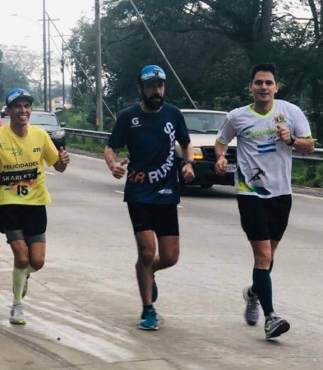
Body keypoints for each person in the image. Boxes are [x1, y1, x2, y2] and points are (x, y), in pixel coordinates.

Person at [214, 63, 315, 340]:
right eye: (258, 83)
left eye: (268, 83)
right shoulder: (237, 117)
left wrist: (291, 139)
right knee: (263, 256)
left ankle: (253, 292)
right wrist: (221, 157)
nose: (263, 87)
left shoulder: (290, 112)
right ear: (250, 87)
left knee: (269, 257)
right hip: (250, 192)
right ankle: (271, 318)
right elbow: (221, 141)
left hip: (281, 193)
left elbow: (310, 145)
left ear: (276, 87)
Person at [104, 65, 195, 331]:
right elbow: (111, 147)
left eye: (160, 85)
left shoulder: (173, 114)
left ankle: (149, 271)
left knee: (170, 257)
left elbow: (186, 142)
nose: (157, 90)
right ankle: (148, 309)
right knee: (147, 251)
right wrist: (113, 165)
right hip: (139, 192)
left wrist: (188, 163)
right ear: (141, 89)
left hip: (167, 193)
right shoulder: (128, 117)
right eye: (151, 86)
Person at [0, 88, 70, 325]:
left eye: (26, 106)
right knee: (22, 257)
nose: (22, 111)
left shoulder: (40, 136)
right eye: (17, 106)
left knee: (37, 262)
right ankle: (17, 304)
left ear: (30, 110)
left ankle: (22, 277)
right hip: (8, 203)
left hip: (35, 204)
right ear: (8, 110)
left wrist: (63, 162)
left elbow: (58, 166)